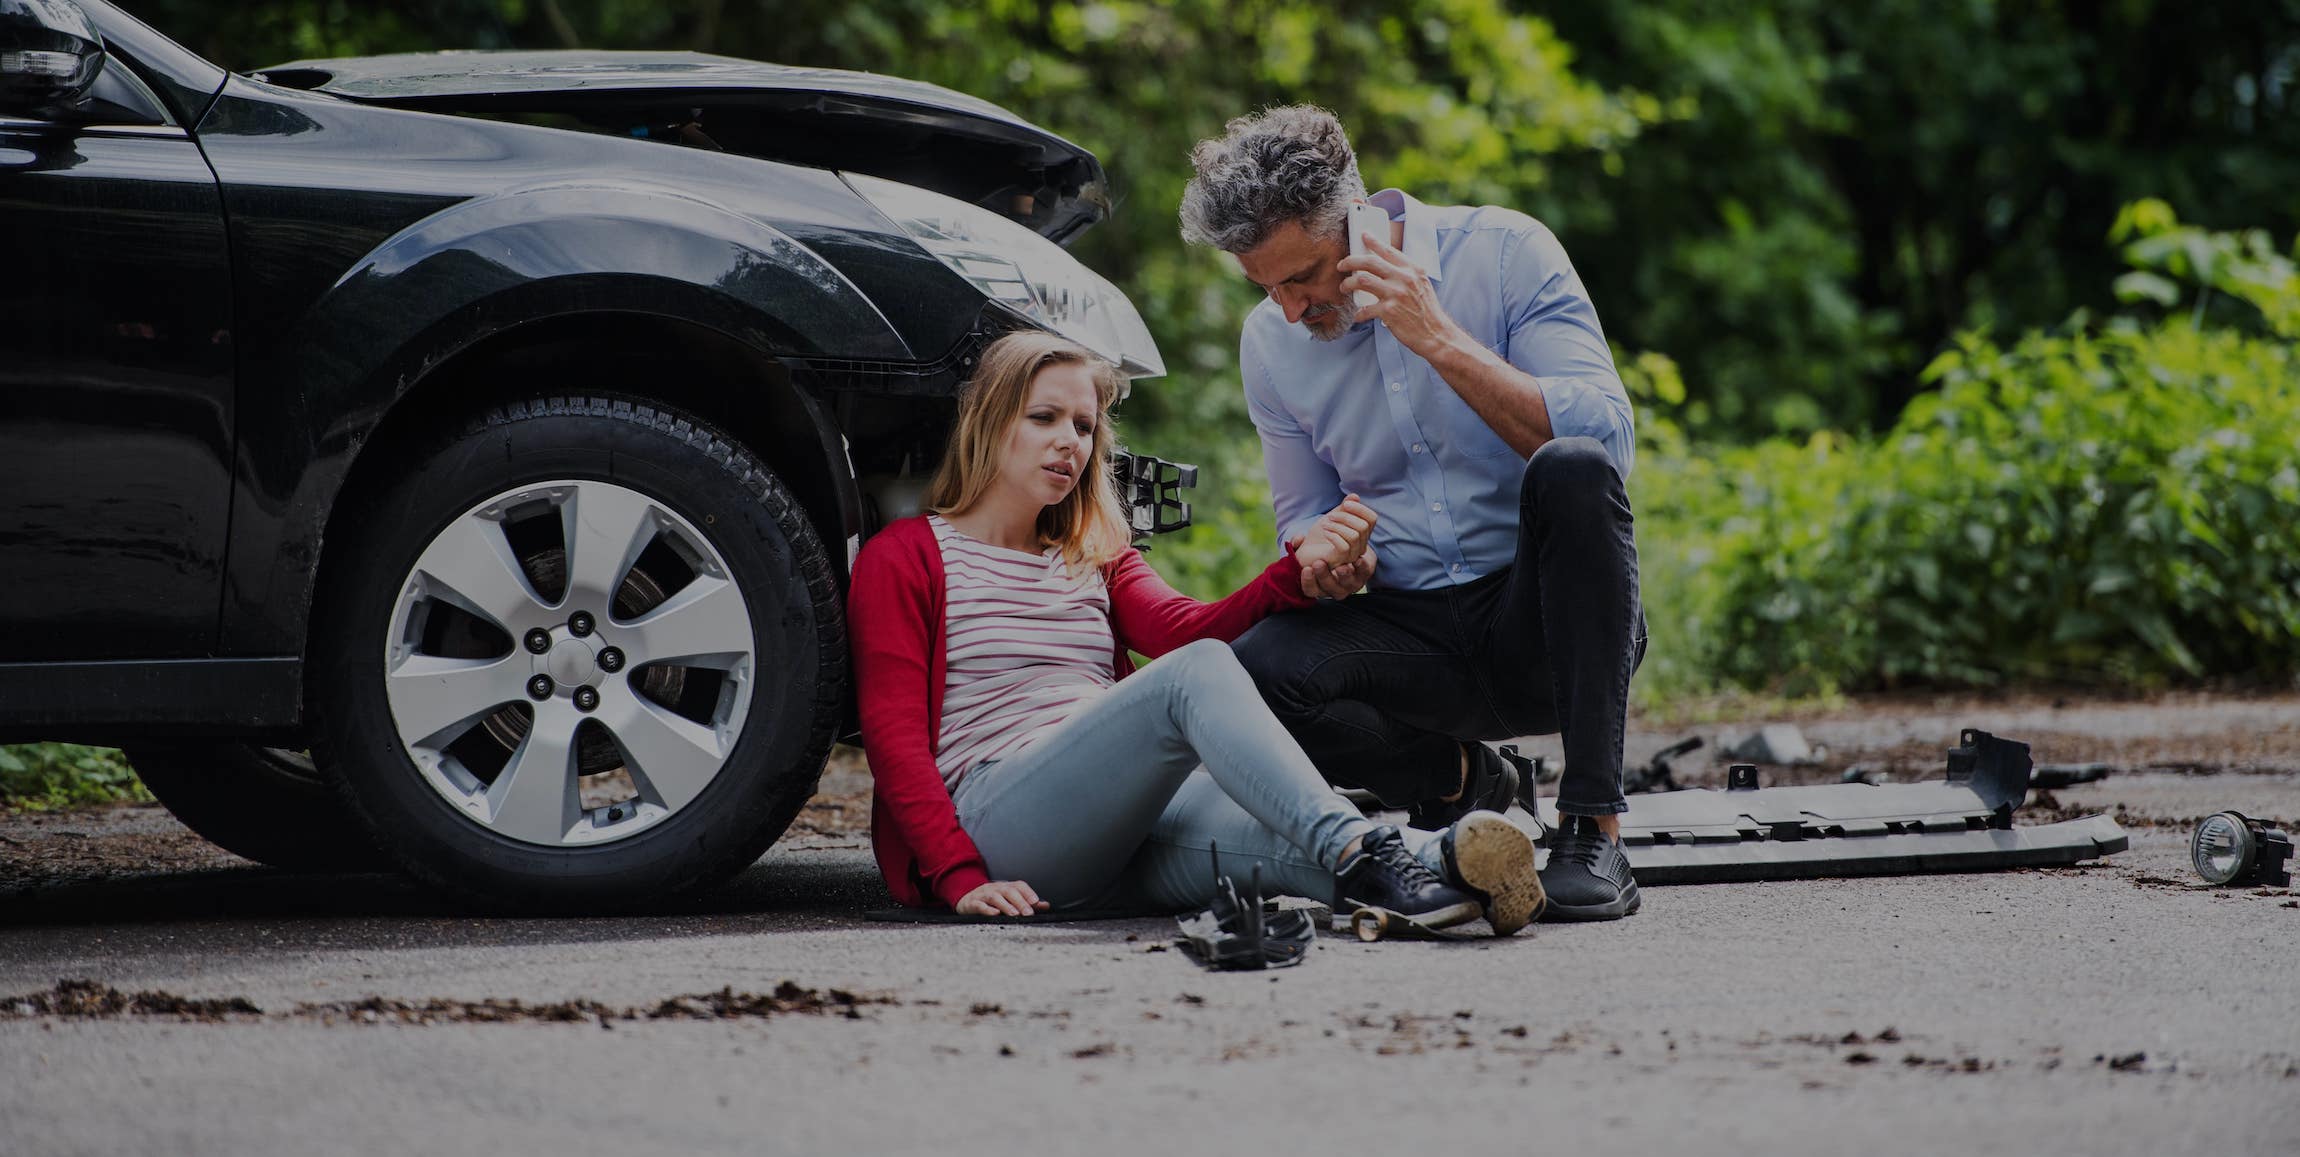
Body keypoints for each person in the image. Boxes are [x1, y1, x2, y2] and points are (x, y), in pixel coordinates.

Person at [848, 330, 1544, 934]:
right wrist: (958, 873)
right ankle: (1369, 856)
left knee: (1276, 829)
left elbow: (1184, 628)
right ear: (990, 419)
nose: (1070, 441)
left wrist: (1292, 578)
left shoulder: (1095, 553)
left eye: (1085, 426)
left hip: (1112, 823)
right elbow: (894, 737)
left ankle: (1451, 864)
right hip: (999, 823)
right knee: (1198, 678)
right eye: (1045, 418)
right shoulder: (907, 556)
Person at [1178, 105, 1648, 921]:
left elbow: (1606, 443)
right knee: (1249, 671)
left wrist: (1438, 337)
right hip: (1409, 637)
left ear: (1362, 227)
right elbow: (1302, 516)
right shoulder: (1271, 342)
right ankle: (1459, 779)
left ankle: (1594, 827)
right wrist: (1324, 559)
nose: (1291, 310)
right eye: (1266, 286)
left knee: (1571, 467)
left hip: (1542, 623)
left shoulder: (1505, 252)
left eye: (1304, 276)